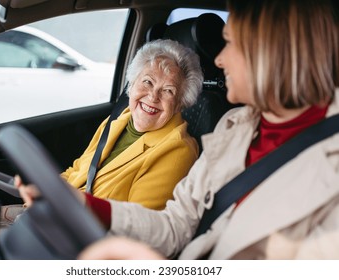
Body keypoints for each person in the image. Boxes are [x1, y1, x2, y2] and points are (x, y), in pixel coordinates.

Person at [73, 0, 339, 259]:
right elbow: (176, 225)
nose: (220, 60)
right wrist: (87, 207)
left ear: (271, 54)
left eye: (230, 44)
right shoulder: (232, 126)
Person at [0, 38, 203, 241]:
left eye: (168, 91)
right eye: (147, 81)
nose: (152, 96)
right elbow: (79, 169)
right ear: (132, 82)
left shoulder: (177, 149)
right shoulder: (120, 120)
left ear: (181, 102)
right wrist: (47, 197)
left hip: (90, 235)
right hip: (62, 210)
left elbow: (138, 227)